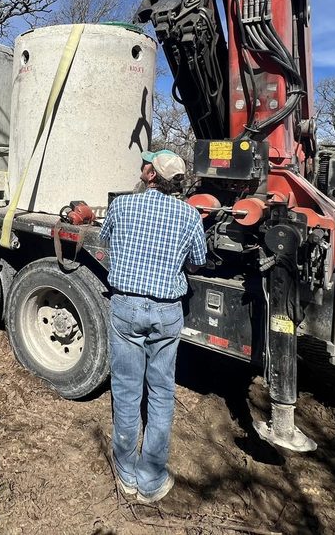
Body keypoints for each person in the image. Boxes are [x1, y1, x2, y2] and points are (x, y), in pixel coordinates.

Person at [98, 149, 206, 504]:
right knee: (161, 393)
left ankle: (126, 474)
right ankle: (151, 479)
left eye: (146, 165)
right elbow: (198, 261)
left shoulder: (123, 205)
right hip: (166, 311)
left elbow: (105, 240)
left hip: (126, 306)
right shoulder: (190, 216)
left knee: (127, 390)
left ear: (150, 176)